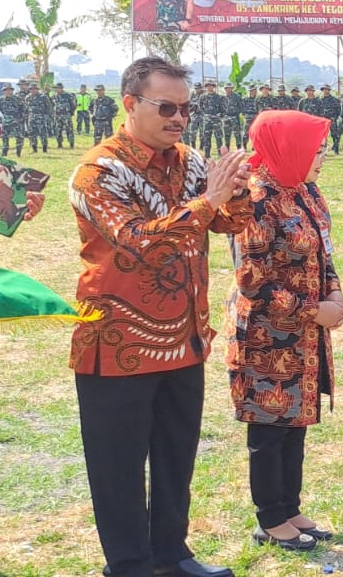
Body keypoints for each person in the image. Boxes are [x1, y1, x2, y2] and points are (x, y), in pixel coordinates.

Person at [68, 56, 252, 577]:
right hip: (117, 340)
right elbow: (137, 242)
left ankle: (172, 553)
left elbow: (228, 225)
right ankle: (128, 565)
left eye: (186, 109)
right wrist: (209, 201)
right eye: (166, 107)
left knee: (176, 456)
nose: (179, 119)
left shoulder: (188, 163)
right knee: (118, 466)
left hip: (184, 336)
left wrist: (235, 192)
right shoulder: (98, 172)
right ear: (131, 104)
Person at [227, 110, 343, 552]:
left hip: (306, 332)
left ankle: (290, 507)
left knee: (296, 421)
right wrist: (315, 310)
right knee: (269, 425)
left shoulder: (305, 191)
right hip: (266, 337)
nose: (322, 159)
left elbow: (324, 251)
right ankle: (269, 518)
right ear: (287, 148)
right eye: (317, 150)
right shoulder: (255, 200)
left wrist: (336, 297)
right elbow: (252, 280)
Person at [0, 84, 25, 157]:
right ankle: (4, 153)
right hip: (6, 122)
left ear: (12, 91)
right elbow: (1, 109)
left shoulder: (17, 99)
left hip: (16, 121)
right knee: (5, 137)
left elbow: (22, 109)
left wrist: (19, 118)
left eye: (9, 90)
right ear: (4, 91)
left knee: (19, 137)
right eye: (6, 90)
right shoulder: (1, 99)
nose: (8, 91)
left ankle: (18, 153)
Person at [198, 84, 225, 158]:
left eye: (211, 86)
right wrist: (205, 114)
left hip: (216, 119)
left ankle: (220, 154)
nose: (210, 87)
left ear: (214, 87)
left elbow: (223, 108)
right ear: (206, 87)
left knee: (218, 137)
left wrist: (220, 115)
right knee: (207, 137)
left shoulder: (218, 97)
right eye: (208, 86)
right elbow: (200, 107)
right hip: (207, 120)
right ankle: (207, 155)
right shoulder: (203, 97)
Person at [53, 82, 76, 149]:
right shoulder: (54, 96)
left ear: (61, 88)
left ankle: (71, 145)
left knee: (69, 130)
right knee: (58, 130)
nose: (57, 89)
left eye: (58, 88)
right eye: (56, 88)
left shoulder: (68, 95)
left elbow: (73, 105)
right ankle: (59, 144)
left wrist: (70, 112)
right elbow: (52, 104)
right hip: (57, 116)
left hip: (66, 115)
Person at [320, 86, 342, 155]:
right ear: (322, 91)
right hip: (323, 120)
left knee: (334, 135)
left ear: (329, 91)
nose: (326, 91)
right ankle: (324, 151)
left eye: (327, 90)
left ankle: (336, 149)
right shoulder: (319, 100)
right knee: (323, 136)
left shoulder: (335, 100)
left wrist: (335, 118)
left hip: (332, 120)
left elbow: (339, 110)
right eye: (324, 90)